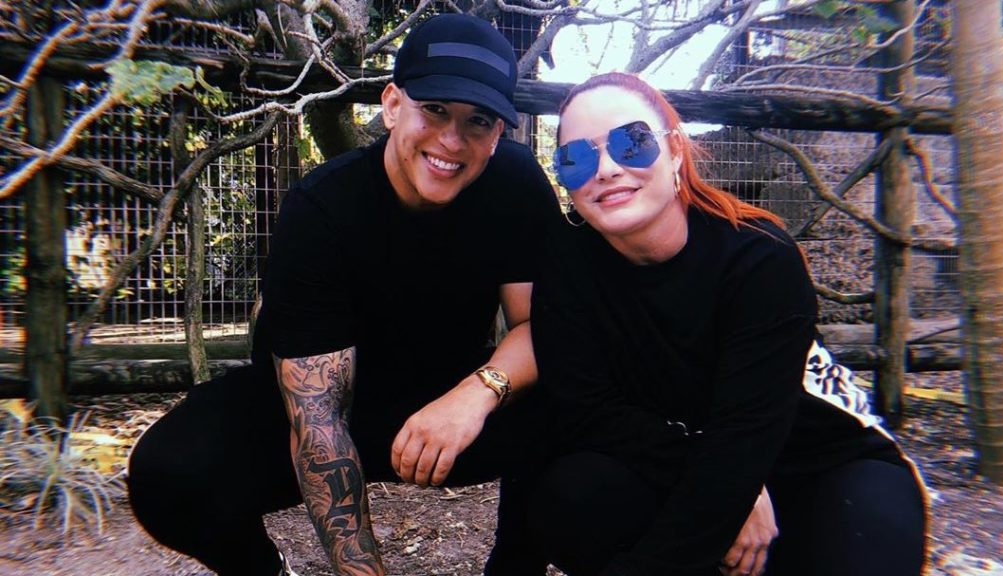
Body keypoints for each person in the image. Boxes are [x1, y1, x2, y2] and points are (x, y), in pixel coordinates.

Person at [126, 14, 561, 576]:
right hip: (313, 404)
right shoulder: (323, 207)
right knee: (169, 471)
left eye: (477, 120)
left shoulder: (516, 184)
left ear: (498, 133)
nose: (452, 141)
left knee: (578, 399)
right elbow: (319, 420)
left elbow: (539, 326)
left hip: (446, 393)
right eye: (434, 109)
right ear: (392, 105)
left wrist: (475, 395)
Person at [525, 72, 928, 576]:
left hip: (817, 462)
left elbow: (748, 431)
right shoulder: (567, 264)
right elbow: (586, 411)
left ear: (675, 152)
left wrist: (733, 486)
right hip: (688, 459)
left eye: (632, 143)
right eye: (577, 158)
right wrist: (735, 491)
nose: (605, 170)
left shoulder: (760, 258)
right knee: (575, 495)